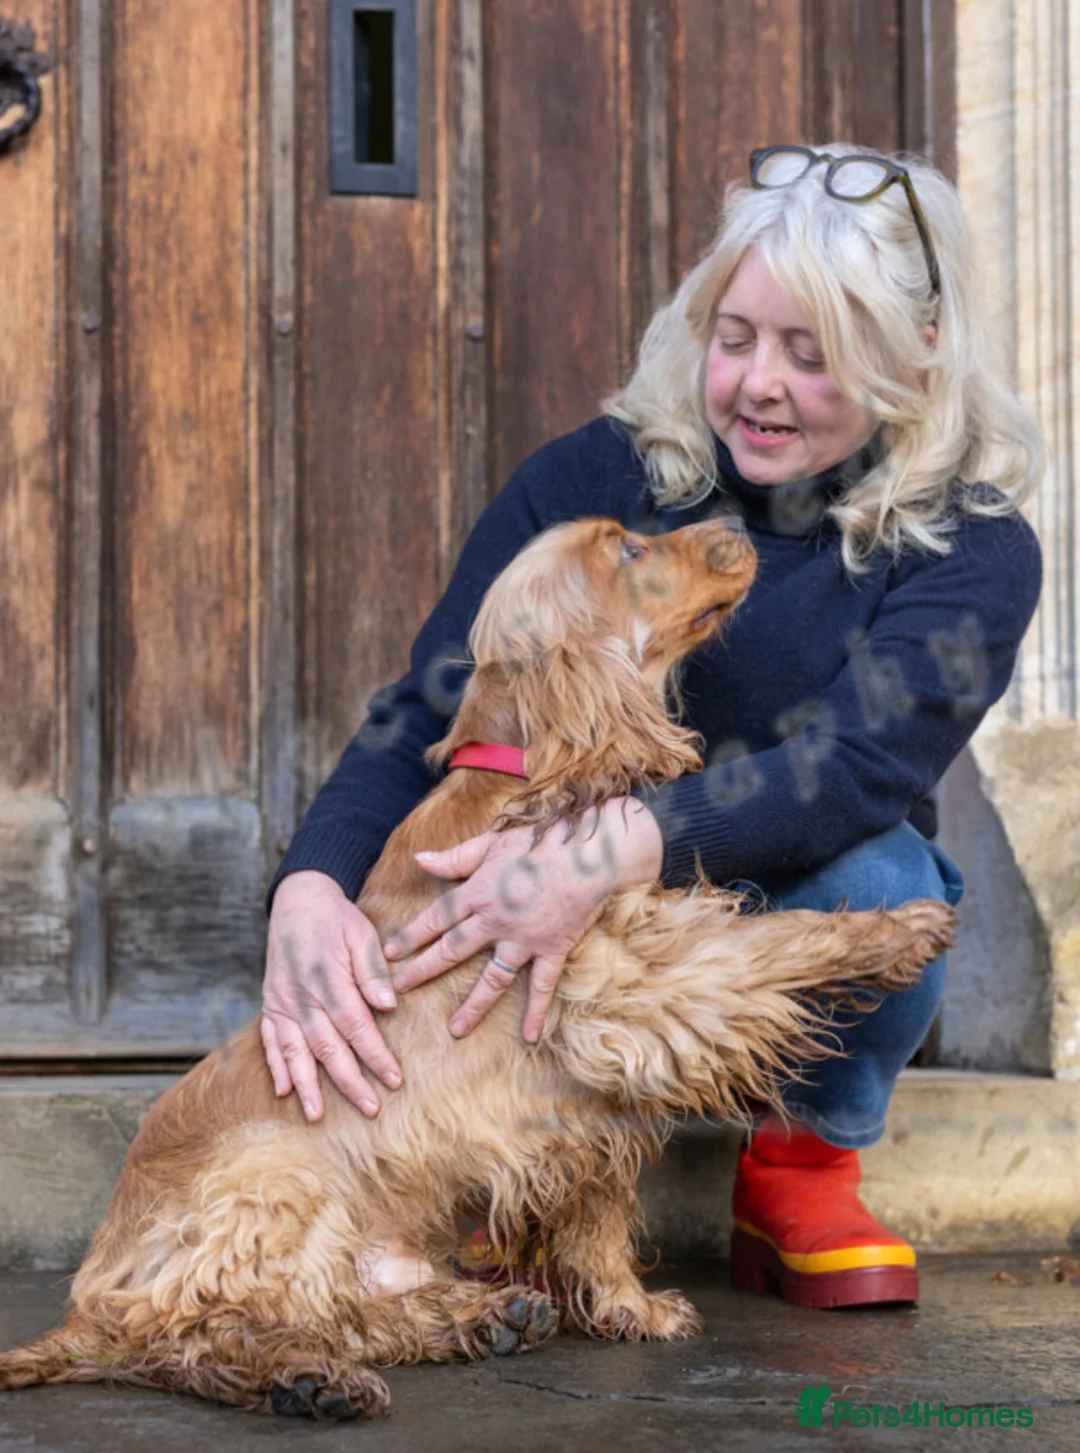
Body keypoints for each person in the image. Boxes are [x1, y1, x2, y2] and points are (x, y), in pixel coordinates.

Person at [261, 143, 1043, 1309]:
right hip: (551, 917)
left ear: (915, 354)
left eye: (812, 354)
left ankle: (800, 1165)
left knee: (886, 882)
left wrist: (603, 854)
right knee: (451, 851)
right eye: (736, 337)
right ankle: (505, 1169)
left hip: (763, 884)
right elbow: (435, 699)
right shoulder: (598, 473)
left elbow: (853, 764)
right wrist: (310, 885)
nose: (759, 383)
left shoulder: (971, 545)